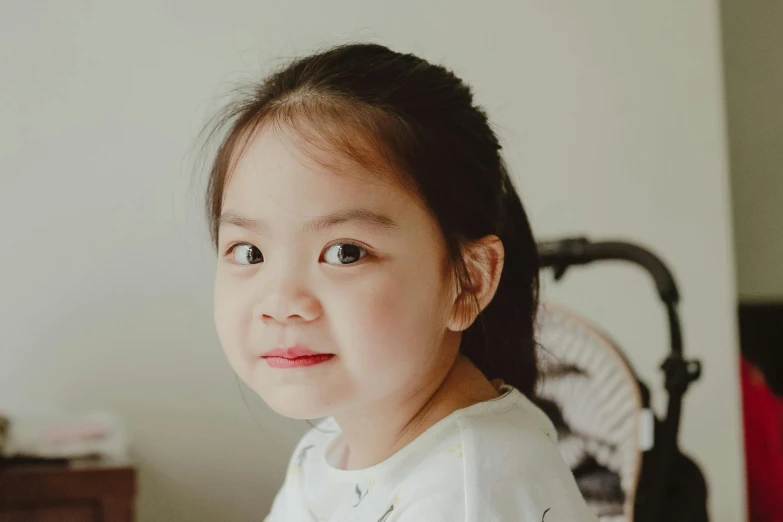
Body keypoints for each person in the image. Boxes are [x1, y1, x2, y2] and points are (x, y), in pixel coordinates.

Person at [203, 42, 595, 521]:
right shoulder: (329, 446)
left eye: (344, 253)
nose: (282, 302)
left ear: (467, 281)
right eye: (250, 253)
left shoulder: (472, 493)